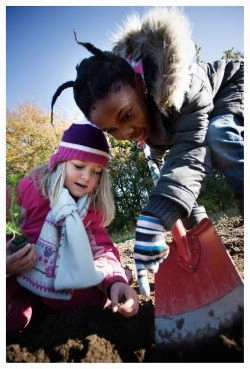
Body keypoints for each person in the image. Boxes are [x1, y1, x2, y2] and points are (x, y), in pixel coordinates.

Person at [50, 7, 244, 281]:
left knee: (219, 135)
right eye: (112, 129)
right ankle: (201, 230)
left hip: (233, 87)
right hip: (181, 120)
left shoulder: (183, 87)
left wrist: (155, 218)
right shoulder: (144, 122)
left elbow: (190, 157)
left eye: (127, 116)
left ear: (140, 85)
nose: (126, 133)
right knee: (170, 175)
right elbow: (173, 171)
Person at [6, 121, 139, 334]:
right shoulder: (29, 190)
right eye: (79, 166)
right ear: (61, 163)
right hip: (16, 278)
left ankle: (121, 275)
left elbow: (101, 249)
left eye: (96, 172)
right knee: (12, 318)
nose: (87, 177)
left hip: (59, 283)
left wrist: (115, 281)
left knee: (96, 301)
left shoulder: (90, 209)